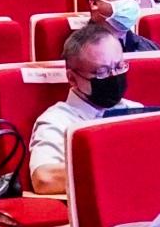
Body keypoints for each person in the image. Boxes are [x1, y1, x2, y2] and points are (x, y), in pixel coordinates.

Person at [27, 22, 141, 195]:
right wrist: (118, 169)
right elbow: (44, 178)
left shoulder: (136, 110)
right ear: (72, 78)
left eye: (119, 67)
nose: (114, 77)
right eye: (102, 72)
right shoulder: (56, 121)